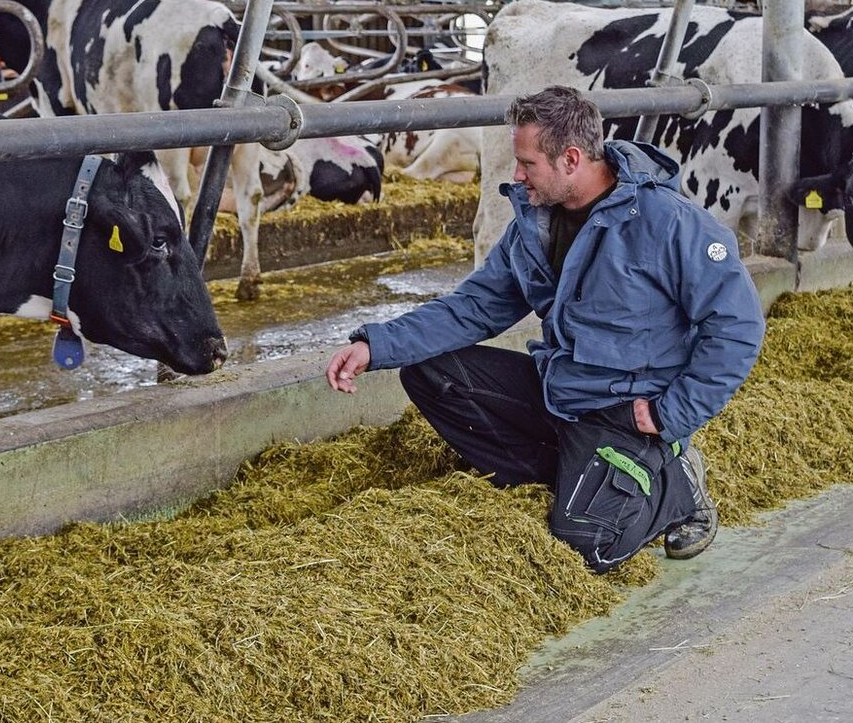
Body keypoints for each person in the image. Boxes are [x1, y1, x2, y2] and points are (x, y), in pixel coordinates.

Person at [326, 85, 765, 573]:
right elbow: (474, 307)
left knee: (588, 547)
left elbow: (737, 327)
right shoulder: (535, 224)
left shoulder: (670, 225)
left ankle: (675, 486)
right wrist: (377, 345)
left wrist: (673, 413)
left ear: (571, 159)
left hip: (625, 409)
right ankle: (576, 477)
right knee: (427, 371)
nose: (516, 175)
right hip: (560, 388)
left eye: (527, 163)